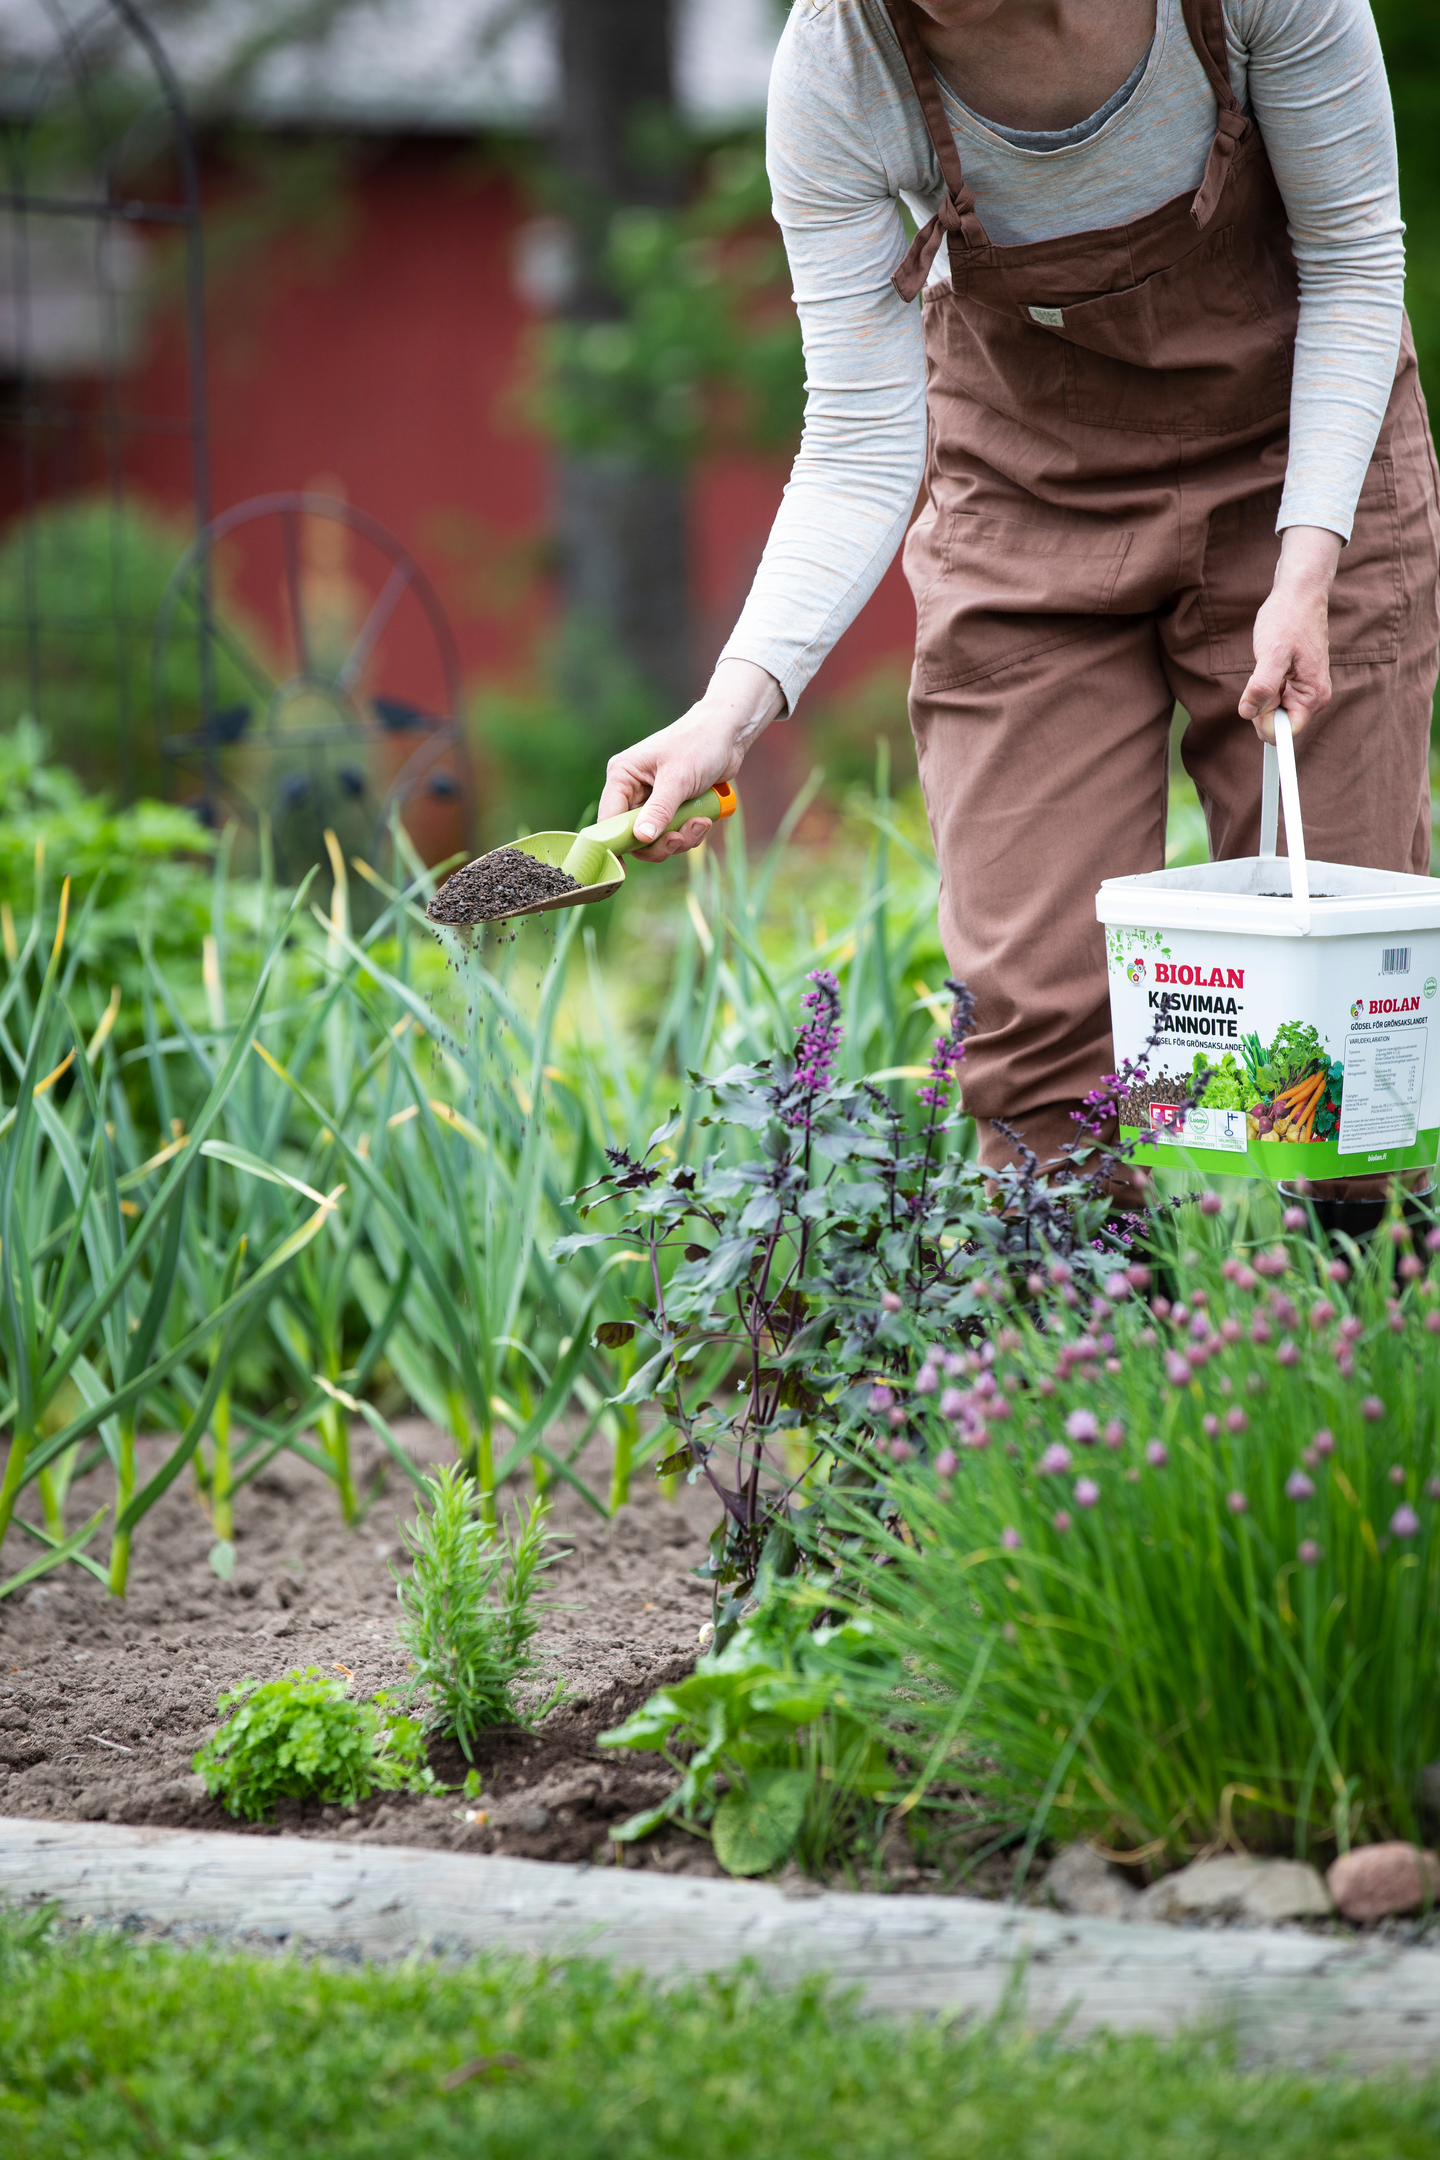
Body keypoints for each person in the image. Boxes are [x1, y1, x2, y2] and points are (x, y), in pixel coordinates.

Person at [596, 0, 1438, 1206]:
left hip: (1301, 469)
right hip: (1029, 495)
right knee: (1033, 1011)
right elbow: (858, 445)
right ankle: (1076, 1377)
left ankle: (1361, 1359)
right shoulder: (839, 70)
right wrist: (724, 715)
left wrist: (1306, 574)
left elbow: (1356, 261)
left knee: (1347, 1006)